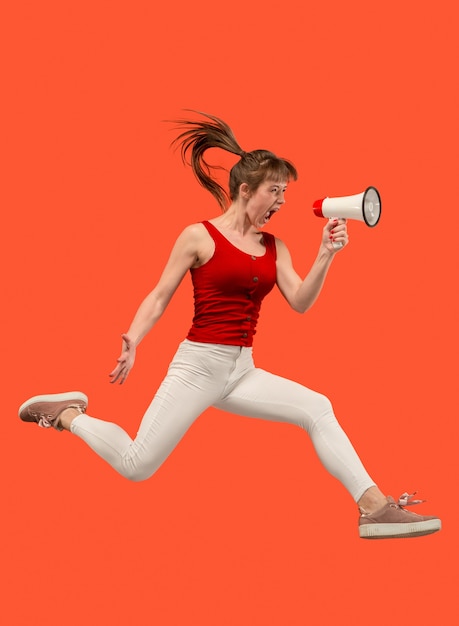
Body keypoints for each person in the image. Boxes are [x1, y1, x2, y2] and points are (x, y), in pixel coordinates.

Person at [19, 111, 441, 539]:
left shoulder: (275, 246)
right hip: (198, 367)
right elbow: (160, 294)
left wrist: (326, 255)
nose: (282, 201)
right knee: (136, 465)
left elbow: (300, 302)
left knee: (317, 407)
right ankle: (67, 414)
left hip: (242, 371)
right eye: (275, 190)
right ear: (245, 190)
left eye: (285, 192)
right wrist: (134, 340)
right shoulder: (199, 236)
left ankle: (373, 508)